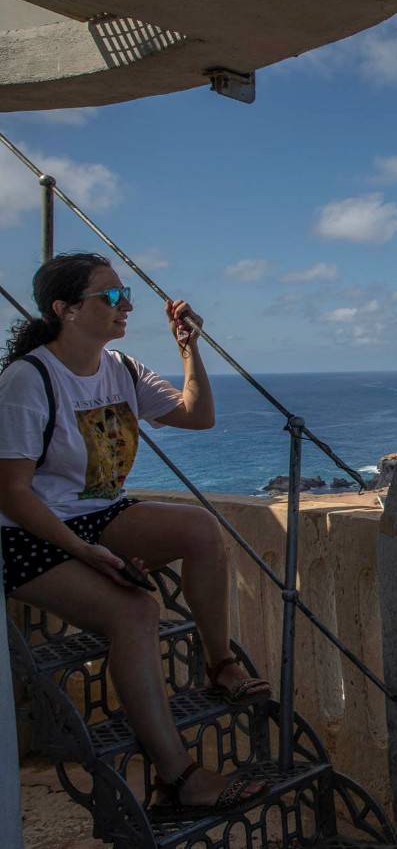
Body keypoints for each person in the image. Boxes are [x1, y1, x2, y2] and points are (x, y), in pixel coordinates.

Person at [0, 253, 270, 817]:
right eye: (113, 297)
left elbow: (196, 416)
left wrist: (188, 347)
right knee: (137, 613)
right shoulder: (28, 380)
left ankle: (219, 664)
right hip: (27, 533)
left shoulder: (119, 367)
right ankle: (179, 778)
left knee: (199, 528)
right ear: (66, 309)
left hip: (96, 514)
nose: (128, 306)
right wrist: (86, 554)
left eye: (127, 296)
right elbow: (14, 493)